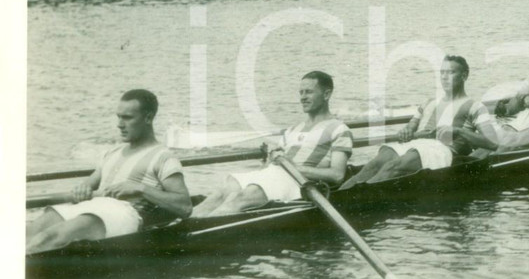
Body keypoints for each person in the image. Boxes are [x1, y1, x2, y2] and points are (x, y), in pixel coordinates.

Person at [27, 90, 191, 254]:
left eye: (127, 118)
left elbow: (185, 206)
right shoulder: (112, 152)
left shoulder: (163, 157)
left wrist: (140, 188)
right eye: (118, 117)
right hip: (93, 205)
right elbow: (87, 186)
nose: (119, 124)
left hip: (122, 213)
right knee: (25, 235)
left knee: (46, 240)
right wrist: (81, 189)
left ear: (148, 118)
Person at [194, 72, 352, 216]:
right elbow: (270, 166)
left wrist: (295, 168)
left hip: (298, 182)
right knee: (224, 191)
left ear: (326, 94)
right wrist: (271, 158)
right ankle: (182, 227)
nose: (303, 97)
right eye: (301, 92)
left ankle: (193, 237)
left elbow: (337, 175)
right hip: (275, 175)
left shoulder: (339, 129)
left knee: (243, 196)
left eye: (309, 92)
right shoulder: (293, 129)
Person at [340, 56, 497, 188]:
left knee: (392, 167)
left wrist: (459, 131)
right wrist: (406, 130)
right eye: (442, 73)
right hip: (416, 144)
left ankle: (351, 199)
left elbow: (492, 143)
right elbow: (410, 127)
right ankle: (339, 195)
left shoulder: (475, 106)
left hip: (441, 150)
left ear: (464, 75)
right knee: (375, 164)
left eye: (451, 72)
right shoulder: (428, 102)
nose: (444, 77)